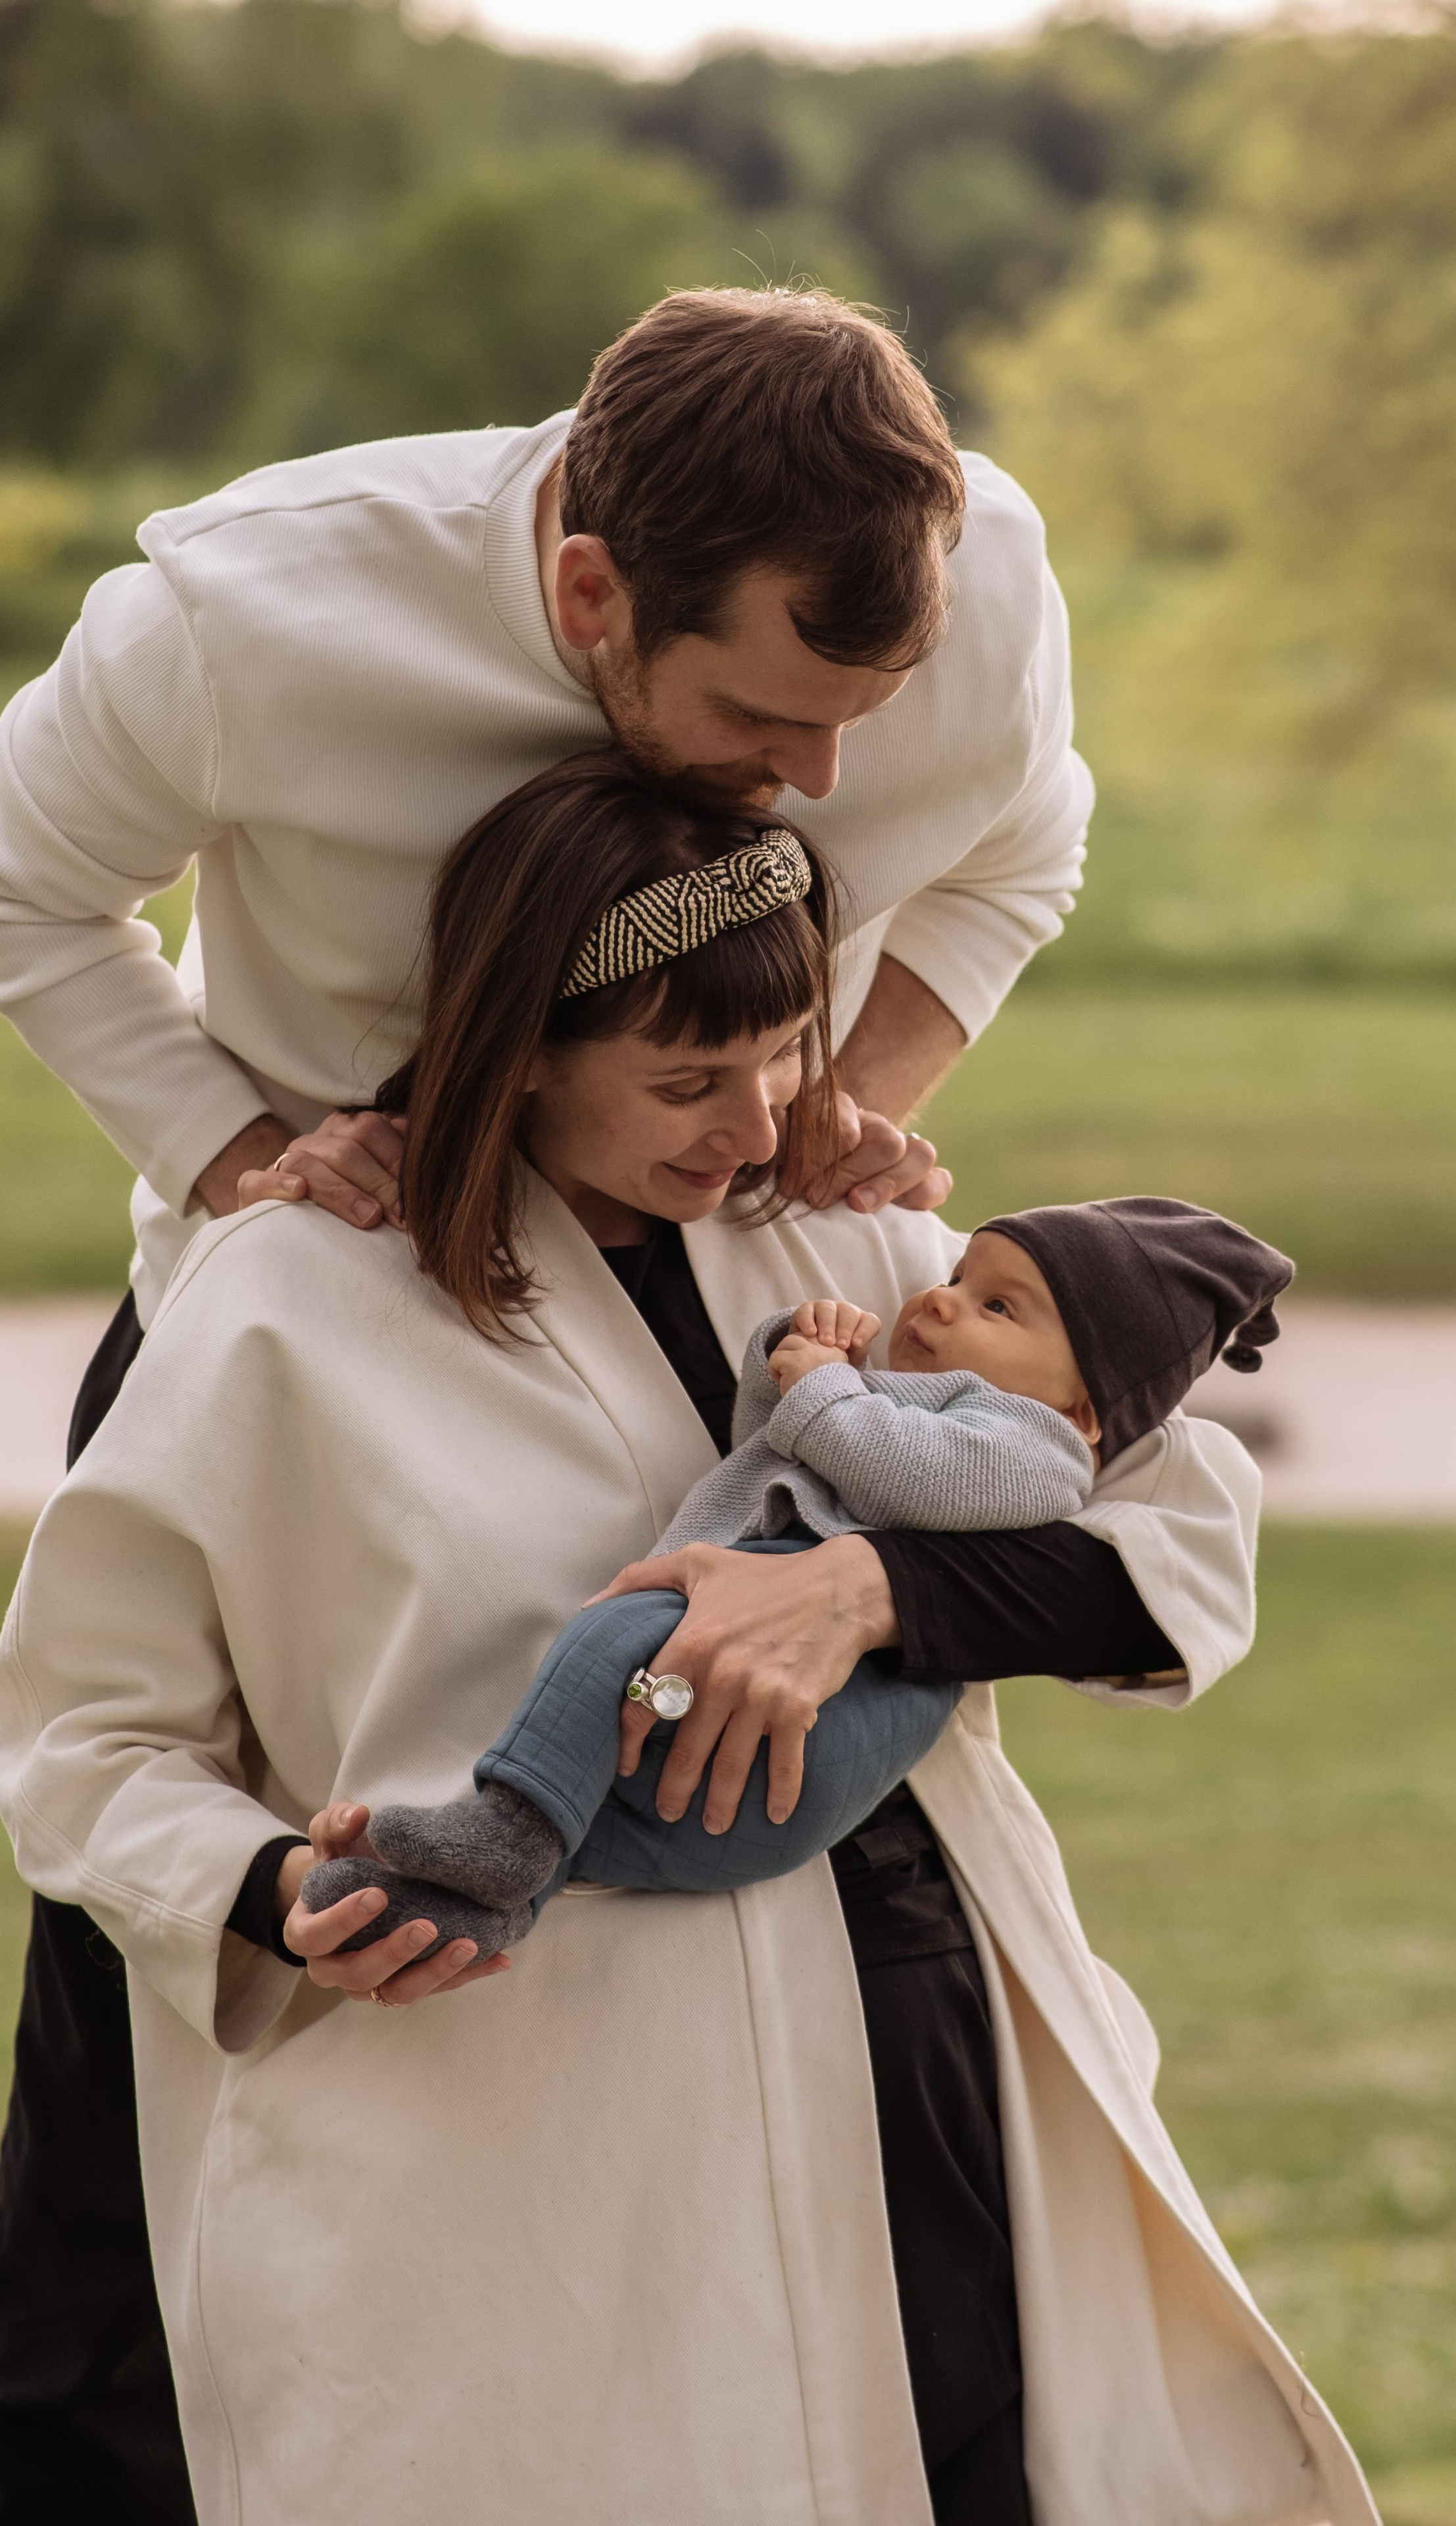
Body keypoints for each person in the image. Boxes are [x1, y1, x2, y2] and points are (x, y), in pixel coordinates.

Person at [0, 752, 1378, 2526]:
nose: (754, 1125)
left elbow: (1177, 1535)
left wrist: (872, 1593)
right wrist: (271, 1892)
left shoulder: (855, 1243)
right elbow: (83, 1740)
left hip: (916, 2080)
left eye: (786, 1054)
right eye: (684, 1081)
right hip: (520, 2138)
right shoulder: (282, 1306)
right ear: (522, 1049)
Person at [0, 282, 1092, 2515]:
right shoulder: (245, 620)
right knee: (129, 2214)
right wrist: (239, 1160)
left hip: (753, 1322)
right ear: (592, 594)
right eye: (764, 717)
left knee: (816, 2048)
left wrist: (850, 1100)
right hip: (315, 1375)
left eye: (865, 719)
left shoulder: (976, 592)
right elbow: (20, 881)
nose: (823, 783)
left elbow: (1026, 845)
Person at [346, 1189, 1294, 1941]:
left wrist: (831, 1391)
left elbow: (911, 1474)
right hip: (749, 1774)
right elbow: (766, 1451)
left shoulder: (1033, 1447)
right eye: (958, 1277)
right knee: (594, 1818)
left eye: (997, 1307)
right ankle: (463, 1900)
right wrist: (791, 1357)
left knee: (615, 1628)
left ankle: (506, 1823)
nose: (940, 1298)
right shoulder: (909, 1398)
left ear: (1085, 1410)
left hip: (831, 1735)